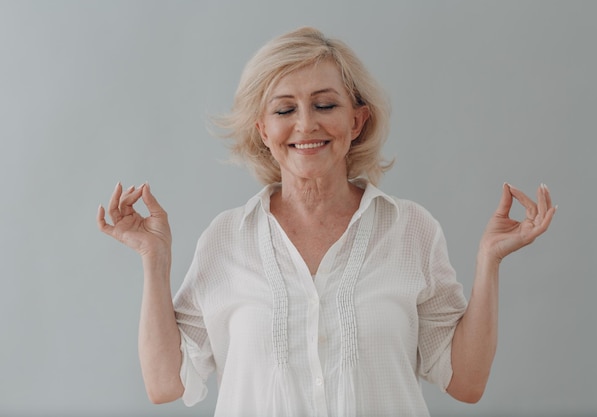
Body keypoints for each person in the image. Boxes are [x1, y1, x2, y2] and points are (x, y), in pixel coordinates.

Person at [97, 27, 555, 417]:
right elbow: (165, 384)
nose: (305, 125)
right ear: (263, 130)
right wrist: (154, 260)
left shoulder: (411, 229)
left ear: (357, 120)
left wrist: (488, 260)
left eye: (325, 105)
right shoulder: (226, 239)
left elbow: (466, 383)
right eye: (284, 109)